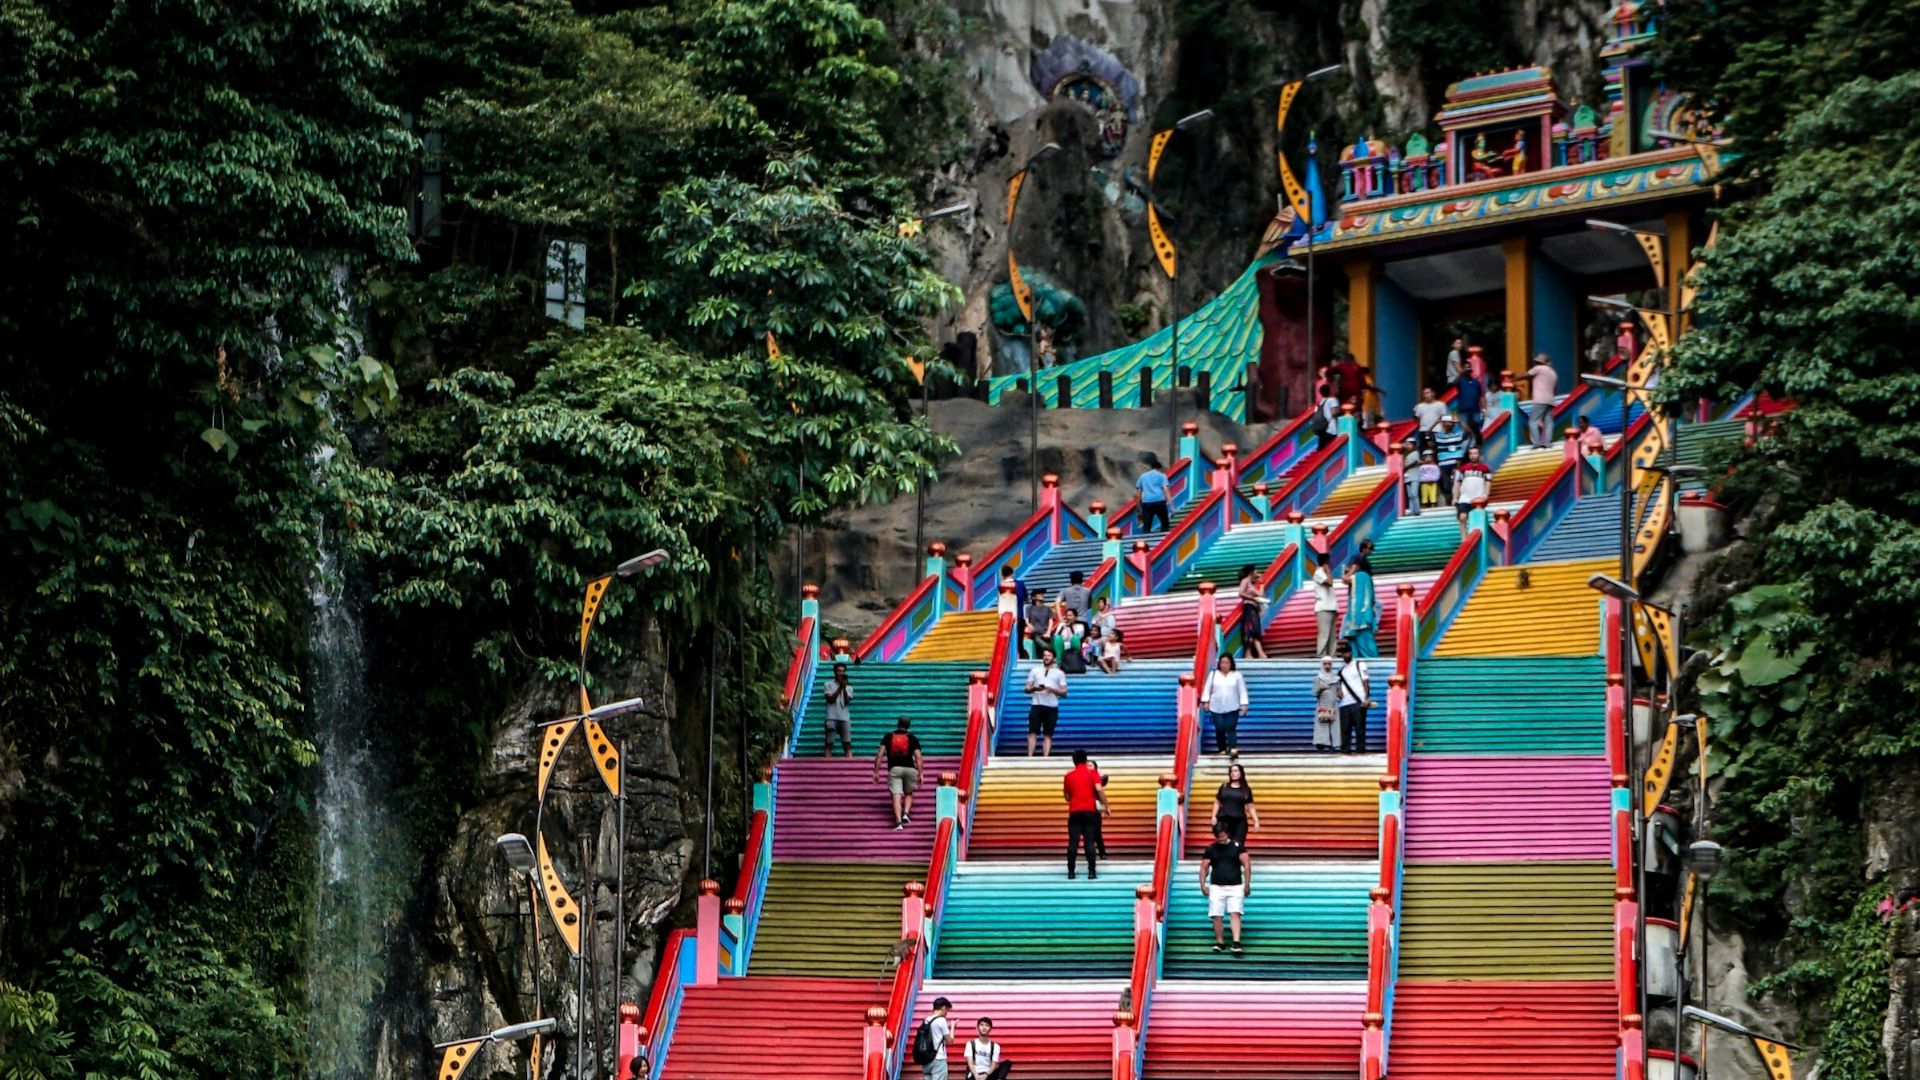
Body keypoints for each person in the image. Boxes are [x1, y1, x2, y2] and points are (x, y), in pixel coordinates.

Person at [1199, 822, 1251, 955]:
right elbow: (1204, 867)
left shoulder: (1238, 847)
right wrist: (1202, 884)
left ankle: (1236, 942)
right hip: (1216, 886)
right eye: (1218, 836)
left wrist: (1247, 884)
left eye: (1222, 835)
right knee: (1216, 915)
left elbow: (1246, 865)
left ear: (1227, 833)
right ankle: (1220, 942)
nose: (1220, 838)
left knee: (1235, 913)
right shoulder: (1210, 849)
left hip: (1236, 886)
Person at [873, 717, 924, 830]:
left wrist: (876, 771)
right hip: (910, 769)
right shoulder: (913, 738)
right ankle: (906, 813)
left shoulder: (888, 736)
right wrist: (921, 773)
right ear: (909, 726)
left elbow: (880, 754)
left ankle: (898, 823)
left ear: (897, 724)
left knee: (896, 794)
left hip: (894, 769)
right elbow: (918, 757)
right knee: (908, 792)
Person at [1064, 749, 1103, 879]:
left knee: (1073, 843)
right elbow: (1099, 789)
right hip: (1089, 812)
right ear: (1086, 760)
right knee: (1089, 842)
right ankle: (1091, 872)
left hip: (1075, 812)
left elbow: (1067, 797)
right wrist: (1106, 805)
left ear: (1073, 761)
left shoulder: (1068, 776)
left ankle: (1071, 872)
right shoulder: (1093, 773)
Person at [1024, 646, 1068, 756]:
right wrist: (1034, 688)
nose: (1046, 658)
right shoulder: (1035, 671)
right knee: (1032, 732)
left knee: (1048, 734)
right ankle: (1029, 757)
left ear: (1053, 658)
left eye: (1049, 655)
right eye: (1044, 655)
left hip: (1052, 707)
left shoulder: (1059, 673)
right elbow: (1027, 688)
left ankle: (1045, 757)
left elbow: (1064, 693)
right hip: (1037, 705)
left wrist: (1052, 689)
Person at [1202, 654, 1249, 755]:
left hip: (1233, 706)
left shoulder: (1237, 675)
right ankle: (1222, 749)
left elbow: (1242, 691)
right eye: (1222, 662)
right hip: (1216, 707)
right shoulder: (1213, 674)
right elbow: (1207, 689)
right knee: (1219, 728)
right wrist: (1205, 701)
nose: (1224, 665)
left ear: (1231, 663)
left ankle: (1233, 748)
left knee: (1231, 727)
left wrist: (1244, 704)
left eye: (1227, 663)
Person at [1211, 761, 1260, 844]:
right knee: (1225, 844)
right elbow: (1217, 802)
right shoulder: (1224, 787)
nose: (1233, 773)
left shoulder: (1246, 789)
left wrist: (1256, 821)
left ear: (1241, 773)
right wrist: (1213, 816)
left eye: (1236, 771)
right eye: (1231, 771)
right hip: (1224, 821)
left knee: (1237, 845)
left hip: (1239, 822)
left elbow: (1251, 807)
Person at [1337, 644, 1371, 754]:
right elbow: (1338, 686)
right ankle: (1345, 751)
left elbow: (1365, 682)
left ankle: (1360, 751)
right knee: (1345, 730)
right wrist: (1338, 693)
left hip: (1358, 702)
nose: (1344, 654)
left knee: (1360, 729)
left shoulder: (1359, 664)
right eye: (1342, 652)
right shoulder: (1341, 670)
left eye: (1346, 652)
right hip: (1344, 703)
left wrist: (1366, 698)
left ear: (1351, 652)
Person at [1342, 556, 1379, 659]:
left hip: (1360, 615)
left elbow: (1345, 579)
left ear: (1357, 565)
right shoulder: (1365, 576)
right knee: (1358, 641)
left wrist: (1351, 571)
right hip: (1361, 615)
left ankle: (1373, 661)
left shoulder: (1361, 575)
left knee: (1365, 641)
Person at [1452, 446, 1493, 537]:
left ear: (1479, 455)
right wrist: (1455, 497)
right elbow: (1457, 483)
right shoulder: (1462, 469)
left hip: (1479, 499)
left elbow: (1488, 482)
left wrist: (1486, 495)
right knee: (1462, 517)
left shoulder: (1485, 468)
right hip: (1464, 498)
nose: (1473, 455)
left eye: (1475, 453)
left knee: (1478, 519)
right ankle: (1464, 539)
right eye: (1471, 453)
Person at [1525, 353, 1558, 448]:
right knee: (1549, 422)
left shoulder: (1539, 368)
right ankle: (1547, 443)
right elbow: (1555, 388)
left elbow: (1526, 375)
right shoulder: (1553, 373)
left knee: (1533, 421)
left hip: (1539, 400)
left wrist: (1514, 380)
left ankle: (1536, 443)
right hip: (1550, 400)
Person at [1235, 564, 1268, 659]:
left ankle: (1260, 653)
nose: (1257, 573)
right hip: (1249, 607)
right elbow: (1240, 593)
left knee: (1255, 630)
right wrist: (1253, 598)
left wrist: (1262, 583)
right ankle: (1248, 653)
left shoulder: (1251, 584)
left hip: (1254, 607)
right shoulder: (1245, 581)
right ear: (1251, 572)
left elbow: (1261, 595)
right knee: (1250, 629)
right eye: (1256, 571)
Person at [823, 662, 854, 756]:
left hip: (844, 718)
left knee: (847, 744)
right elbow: (831, 700)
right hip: (831, 717)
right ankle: (827, 763)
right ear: (835, 672)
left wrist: (843, 687)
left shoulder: (849, 688)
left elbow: (847, 702)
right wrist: (840, 687)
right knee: (829, 743)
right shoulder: (828, 685)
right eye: (839, 671)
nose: (841, 673)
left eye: (843, 671)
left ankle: (850, 763)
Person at [1433, 414, 1467, 498]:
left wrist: (1460, 422)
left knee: (1458, 482)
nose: (1448, 424)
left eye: (1450, 422)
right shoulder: (1439, 436)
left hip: (1456, 462)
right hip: (1443, 464)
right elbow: (1428, 433)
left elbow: (1467, 432)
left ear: (1453, 424)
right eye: (1445, 422)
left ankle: (1457, 498)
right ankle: (1450, 500)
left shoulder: (1458, 435)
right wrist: (1436, 422)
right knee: (1446, 485)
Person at [1312, 555, 1339, 657]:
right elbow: (1329, 583)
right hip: (1323, 608)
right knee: (1324, 634)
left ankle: (1333, 655)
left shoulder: (1325, 573)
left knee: (1332, 636)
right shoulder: (1318, 573)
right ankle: (1321, 655)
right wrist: (1327, 571)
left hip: (1331, 607)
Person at [1312, 654, 1341, 751]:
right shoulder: (1318, 678)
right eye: (1325, 664)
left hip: (1333, 705)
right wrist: (1320, 689)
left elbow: (1339, 693)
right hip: (1322, 705)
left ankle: (1332, 746)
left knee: (1333, 726)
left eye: (1329, 664)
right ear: (1322, 665)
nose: (1327, 666)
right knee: (1322, 726)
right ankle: (1321, 745)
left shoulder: (1336, 678)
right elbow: (1314, 693)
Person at [921, 997, 954, 1080]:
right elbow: (950, 1041)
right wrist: (953, 1027)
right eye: (947, 1010)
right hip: (938, 1058)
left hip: (926, 1059)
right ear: (943, 1008)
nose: (946, 1013)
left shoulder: (926, 1020)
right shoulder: (941, 1020)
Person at [1454, 370, 1486, 448]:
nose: (1467, 371)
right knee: (1464, 431)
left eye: (1468, 369)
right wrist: (1460, 373)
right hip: (1463, 411)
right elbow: (1454, 384)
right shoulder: (1460, 381)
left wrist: (1484, 409)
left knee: (1477, 429)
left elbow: (1481, 396)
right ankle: (1465, 448)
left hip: (1476, 410)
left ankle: (1477, 447)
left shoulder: (1476, 382)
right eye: (1465, 369)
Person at [1136, 462, 1171, 533]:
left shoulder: (1143, 476)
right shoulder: (1162, 476)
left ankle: (1146, 537)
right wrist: (1171, 506)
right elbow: (1166, 490)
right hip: (1159, 501)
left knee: (1147, 525)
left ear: (1151, 467)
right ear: (1159, 468)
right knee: (1164, 523)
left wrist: (1138, 506)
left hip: (1147, 502)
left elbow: (1138, 492)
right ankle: (1164, 536)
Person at [1022, 588, 1052, 660]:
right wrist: (1029, 626)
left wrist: (1048, 633)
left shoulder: (1047, 609)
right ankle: (1051, 651)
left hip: (1045, 633)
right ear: (1033, 597)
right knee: (1039, 641)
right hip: (1035, 633)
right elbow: (1026, 620)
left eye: (1042, 593)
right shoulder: (1029, 608)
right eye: (1039, 594)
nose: (1042, 595)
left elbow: (1051, 621)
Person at [1576, 415, 1606, 482]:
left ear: (1587, 423)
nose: (1580, 425)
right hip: (1584, 462)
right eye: (1579, 423)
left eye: (1582, 423)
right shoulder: (1578, 435)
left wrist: (1603, 453)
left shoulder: (1595, 431)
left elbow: (1602, 444)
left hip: (1596, 458)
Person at [1312, 381, 1340, 449]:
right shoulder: (1332, 400)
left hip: (1322, 429)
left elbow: (1315, 413)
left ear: (1321, 393)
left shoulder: (1320, 402)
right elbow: (1334, 413)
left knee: (1322, 448)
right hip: (1331, 429)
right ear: (1329, 391)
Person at [1400, 440, 1422, 516]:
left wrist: (1404, 467)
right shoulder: (1404, 454)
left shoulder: (1415, 453)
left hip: (1414, 475)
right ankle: (1412, 510)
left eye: (1409, 444)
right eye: (1406, 444)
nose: (1408, 446)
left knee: (1414, 493)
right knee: (1410, 495)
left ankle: (1417, 509)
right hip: (1407, 476)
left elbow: (1414, 462)